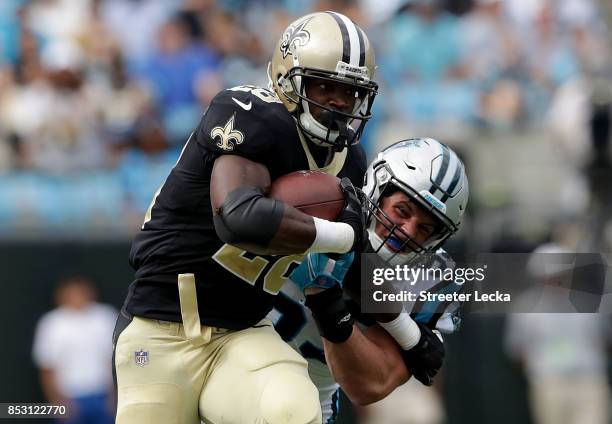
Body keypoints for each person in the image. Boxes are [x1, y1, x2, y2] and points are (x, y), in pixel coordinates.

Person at [113, 11, 379, 424]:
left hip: (242, 331)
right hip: (160, 328)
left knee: (291, 410)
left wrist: (409, 336)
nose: (338, 103)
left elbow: (361, 269)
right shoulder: (250, 113)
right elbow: (237, 217)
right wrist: (343, 234)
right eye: (324, 86)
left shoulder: (350, 163)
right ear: (289, 77)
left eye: (349, 92)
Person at [272, 138, 469, 423]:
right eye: (402, 211)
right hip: (231, 350)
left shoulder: (432, 279)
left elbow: (368, 386)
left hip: (309, 399)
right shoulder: (323, 202)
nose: (408, 231)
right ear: (378, 189)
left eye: (425, 228)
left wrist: (332, 312)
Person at [32, 276, 117, 424]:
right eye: (71, 293)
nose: (77, 297)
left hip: (103, 396)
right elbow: (47, 366)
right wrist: (57, 402)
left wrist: (115, 396)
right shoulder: (51, 322)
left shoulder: (106, 316)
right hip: (69, 397)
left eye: (80, 292)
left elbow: (115, 360)